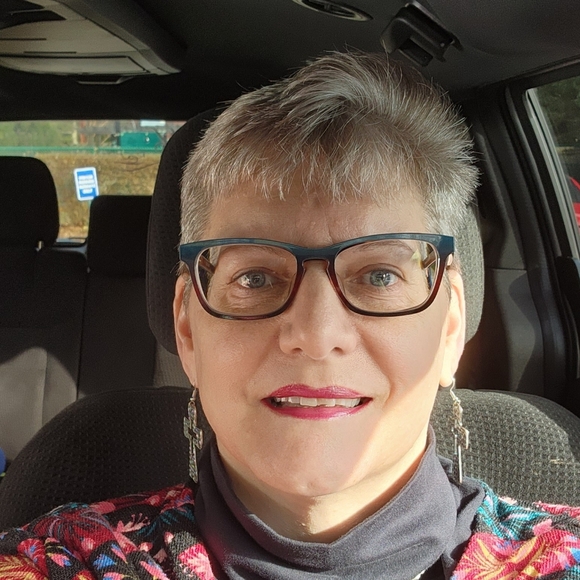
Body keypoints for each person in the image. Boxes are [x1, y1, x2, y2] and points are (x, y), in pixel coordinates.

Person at [2, 51, 580, 580]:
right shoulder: (62, 561)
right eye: (254, 278)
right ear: (186, 328)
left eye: (379, 275)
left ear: (450, 324)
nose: (316, 335)